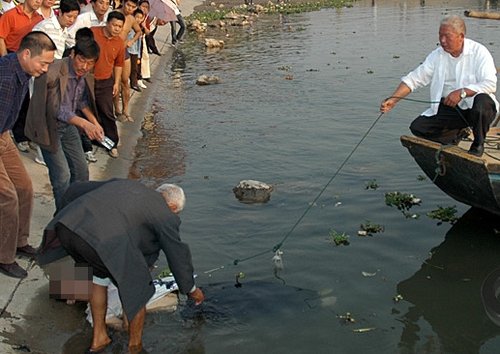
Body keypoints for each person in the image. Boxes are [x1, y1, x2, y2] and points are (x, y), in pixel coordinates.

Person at [37, 179, 205, 353]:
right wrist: (192, 290)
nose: (174, 217)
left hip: (68, 228)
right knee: (140, 290)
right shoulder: (164, 214)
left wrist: (63, 214)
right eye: (175, 213)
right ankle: (134, 347)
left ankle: (99, 338)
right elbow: (177, 255)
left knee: (99, 277)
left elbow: (75, 189)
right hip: (101, 241)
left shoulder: (127, 186)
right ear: (171, 206)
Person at [380, 15, 498, 157]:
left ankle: (478, 143)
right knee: (418, 128)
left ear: (461, 36)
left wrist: (462, 92)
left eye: (447, 37)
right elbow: (414, 79)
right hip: (453, 109)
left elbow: (490, 84)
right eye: (440, 36)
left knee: (482, 103)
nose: (442, 41)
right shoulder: (437, 56)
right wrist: (393, 100)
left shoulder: (479, 52)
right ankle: (457, 134)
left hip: (478, 109)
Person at [0, 31, 56, 279]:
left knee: (24, 187)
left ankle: (19, 241)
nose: (45, 69)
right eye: (43, 63)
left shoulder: (24, 72)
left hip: (3, 134)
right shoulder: (6, 78)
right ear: (25, 54)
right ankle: (4, 257)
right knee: (8, 197)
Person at [25, 37, 103, 210]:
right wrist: (84, 124)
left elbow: (81, 102)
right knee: (62, 175)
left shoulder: (84, 74)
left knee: (82, 170)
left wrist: (95, 123)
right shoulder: (52, 71)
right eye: (82, 60)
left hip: (68, 126)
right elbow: (56, 109)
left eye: (90, 63)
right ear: (73, 54)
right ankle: (61, 217)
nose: (84, 66)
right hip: (47, 128)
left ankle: (74, 209)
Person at [91, 10, 125, 158]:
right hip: (88, 78)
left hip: (106, 80)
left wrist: (116, 82)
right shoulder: (93, 33)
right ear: (107, 23)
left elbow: (118, 64)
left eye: (120, 26)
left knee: (107, 112)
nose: (117, 29)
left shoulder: (119, 43)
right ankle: (91, 141)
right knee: (89, 111)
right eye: (114, 25)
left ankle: (112, 144)